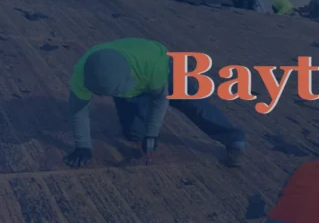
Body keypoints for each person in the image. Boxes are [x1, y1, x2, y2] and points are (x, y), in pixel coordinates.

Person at [64, 38, 246, 168]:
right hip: (132, 81)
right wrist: (83, 146)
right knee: (134, 134)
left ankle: (234, 139)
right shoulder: (83, 74)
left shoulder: (152, 67)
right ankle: (138, 108)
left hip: (162, 68)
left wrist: (152, 133)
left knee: (194, 104)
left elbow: (160, 100)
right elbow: (78, 111)